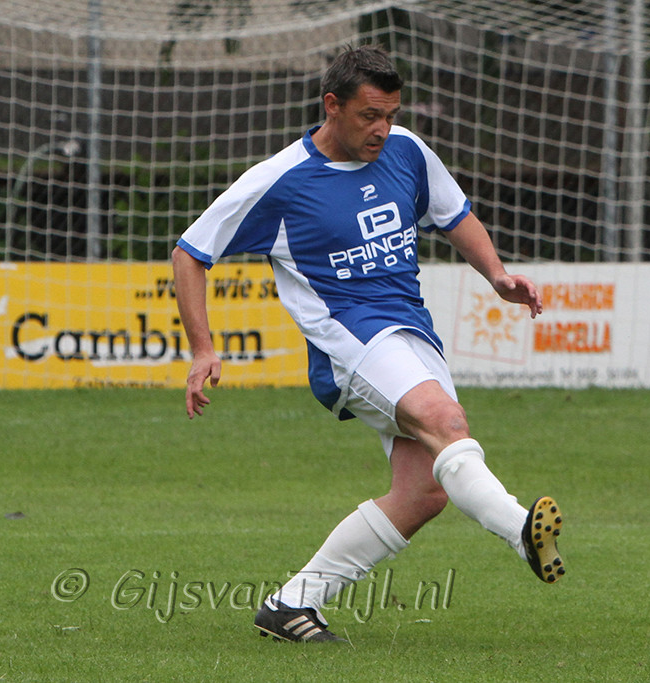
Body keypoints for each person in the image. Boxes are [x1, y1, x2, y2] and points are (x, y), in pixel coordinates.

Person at [172, 44, 564, 643]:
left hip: (411, 333)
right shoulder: (279, 181)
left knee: (424, 491)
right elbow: (190, 253)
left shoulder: (407, 150)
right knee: (446, 422)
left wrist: (497, 276)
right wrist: (203, 348)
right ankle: (520, 531)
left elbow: (453, 214)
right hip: (348, 343)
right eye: (369, 116)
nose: (382, 128)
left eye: (390, 115)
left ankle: (291, 605)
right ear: (332, 105)